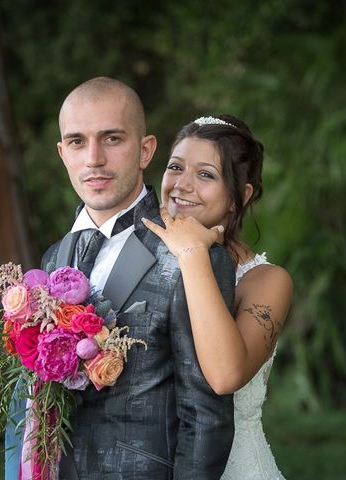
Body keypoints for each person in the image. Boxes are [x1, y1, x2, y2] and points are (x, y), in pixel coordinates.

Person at [4, 77, 235, 480]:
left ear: (145, 150)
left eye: (111, 139)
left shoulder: (189, 257)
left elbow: (206, 418)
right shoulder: (54, 256)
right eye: (77, 142)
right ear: (63, 153)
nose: (93, 159)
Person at [141, 114, 293, 479]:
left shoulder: (267, 281)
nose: (182, 185)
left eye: (206, 174)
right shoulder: (140, 261)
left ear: (239, 197)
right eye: (175, 167)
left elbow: (225, 376)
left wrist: (193, 255)